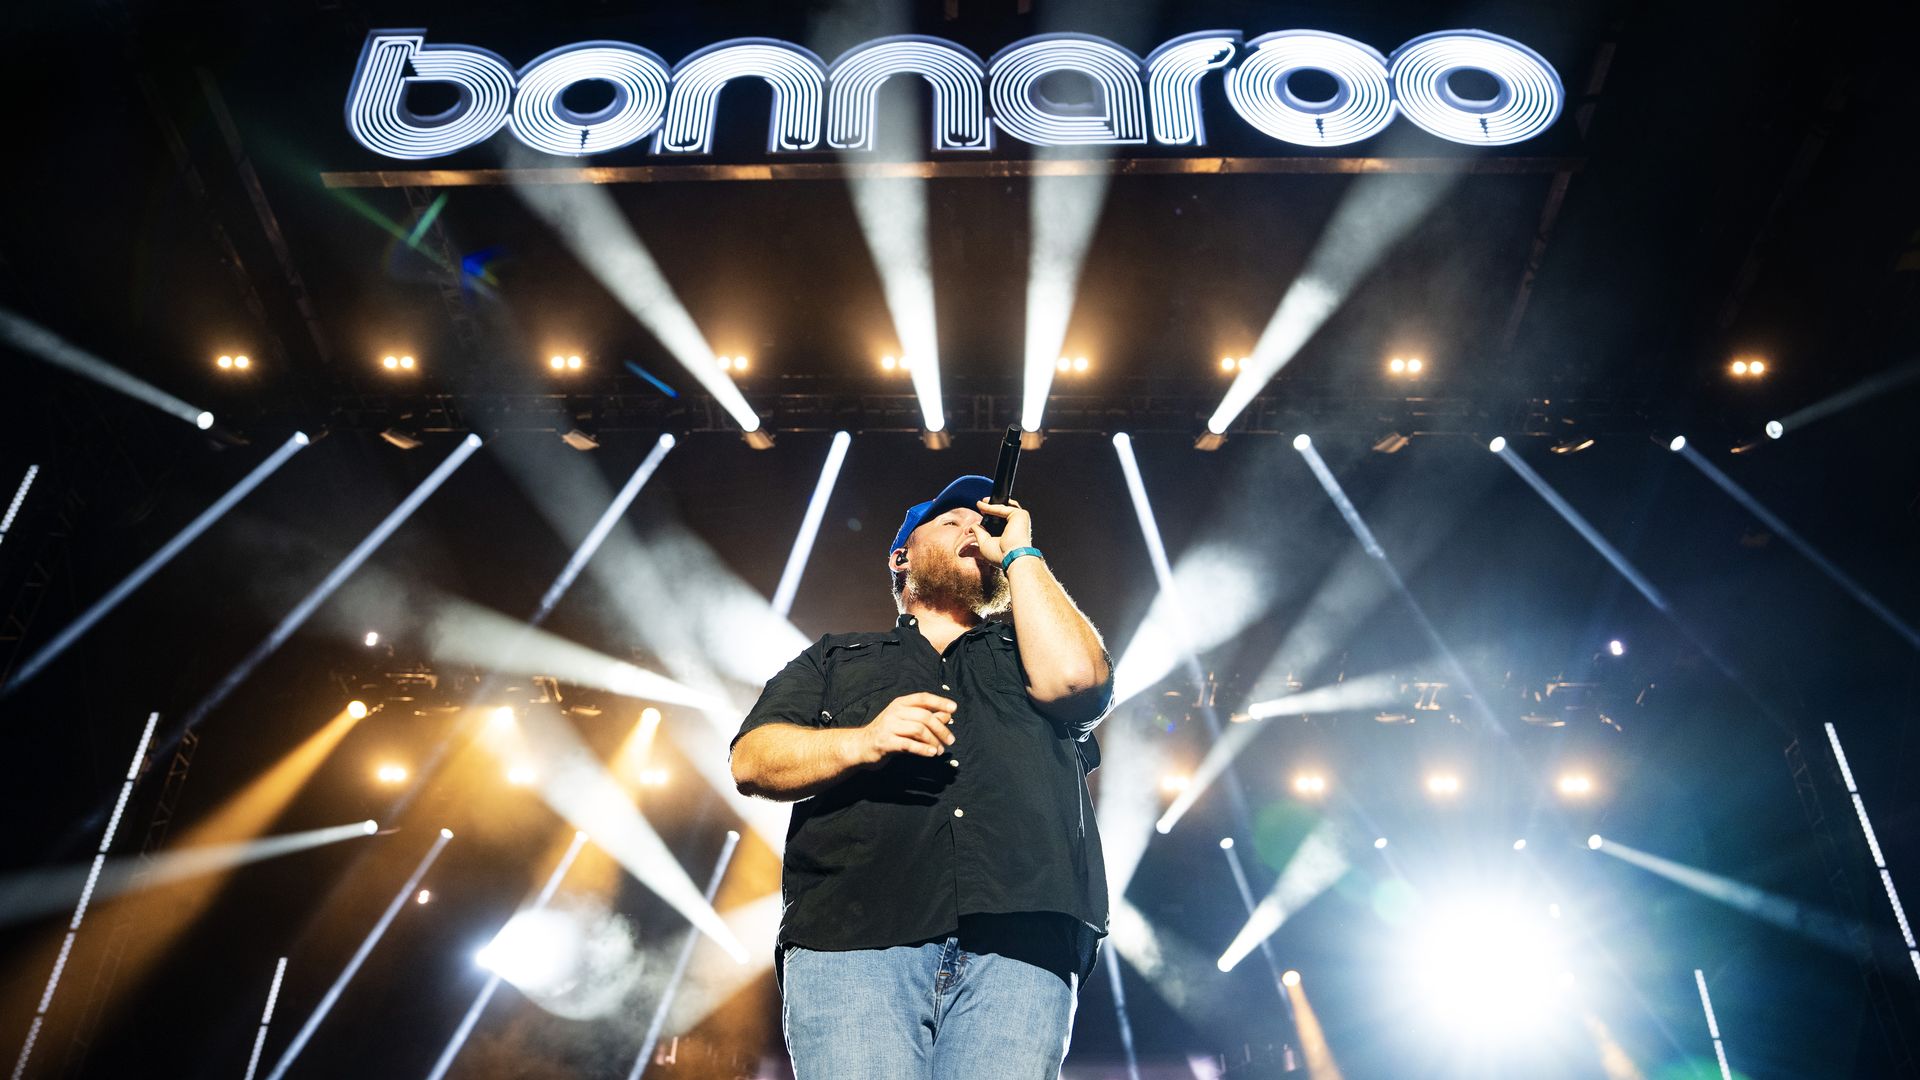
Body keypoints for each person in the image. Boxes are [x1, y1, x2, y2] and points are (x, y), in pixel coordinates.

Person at [730, 474, 1113, 1080]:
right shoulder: (835, 658)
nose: (973, 529)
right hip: (854, 937)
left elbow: (1078, 683)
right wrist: (863, 740)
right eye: (952, 520)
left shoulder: (1028, 651)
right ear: (901, 556)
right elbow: (752, 761)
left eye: (982, 524)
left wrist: (1020, 552)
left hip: (1023, 936)